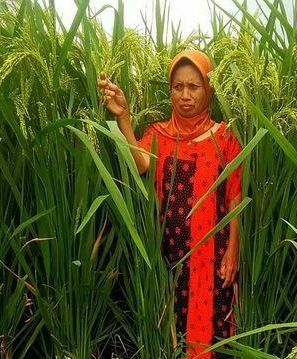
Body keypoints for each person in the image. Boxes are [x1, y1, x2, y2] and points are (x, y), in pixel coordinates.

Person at [98, 49, 242, 358]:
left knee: (214, 333)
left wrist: (233, 249)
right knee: (175, 330)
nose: (186, 95)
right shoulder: (158, 134)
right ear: (170, 90)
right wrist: (123, 116)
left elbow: (234, 198)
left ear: (208, 89)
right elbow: (139, 164)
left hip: (212, 256)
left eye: (194, 87)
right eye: (178, 87)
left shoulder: (225, 138)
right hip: (170, 255)